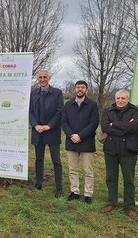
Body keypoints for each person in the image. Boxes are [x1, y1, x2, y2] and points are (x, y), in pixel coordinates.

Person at [100, 89, 138, 218]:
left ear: (128, 99)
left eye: (123, 98)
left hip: (128, 150)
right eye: (118, 98)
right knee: (111, 177)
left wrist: (115, 124)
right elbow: (105, 127)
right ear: (115, 98)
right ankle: (112, 202)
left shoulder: (136, 111)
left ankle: (129, 206)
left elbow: (133, 127)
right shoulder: (107, 111)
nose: (120, 101)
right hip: (111, 149)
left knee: (128, 179)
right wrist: (123, 128)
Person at [61, 80, 99, 204]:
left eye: (82, 87)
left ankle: (88, 194)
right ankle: (75, 192)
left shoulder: (92, 105)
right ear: (75, 89)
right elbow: (64, 122)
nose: (80, 89)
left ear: (86, 90)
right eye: (78, 87)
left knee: (88, 171)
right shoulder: (68, 105)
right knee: (73, 169)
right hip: (71, 141)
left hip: (87, 142)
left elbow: (94, 123)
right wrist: (72, 135)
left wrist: (80, 135)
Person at [29, 70, 64, 198]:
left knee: (56, 160)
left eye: (45, 77)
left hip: (52, 131)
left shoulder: (57, 93)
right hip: (38, 131)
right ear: (38, 79)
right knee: (39, 159)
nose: (42, 79)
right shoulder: (33, 94)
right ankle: (38, 183)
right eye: (40, 77)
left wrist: (49, 126)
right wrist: (36, 125)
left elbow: (60, 111)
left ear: (49, 78)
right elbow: (30, 112)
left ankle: (59, 188)